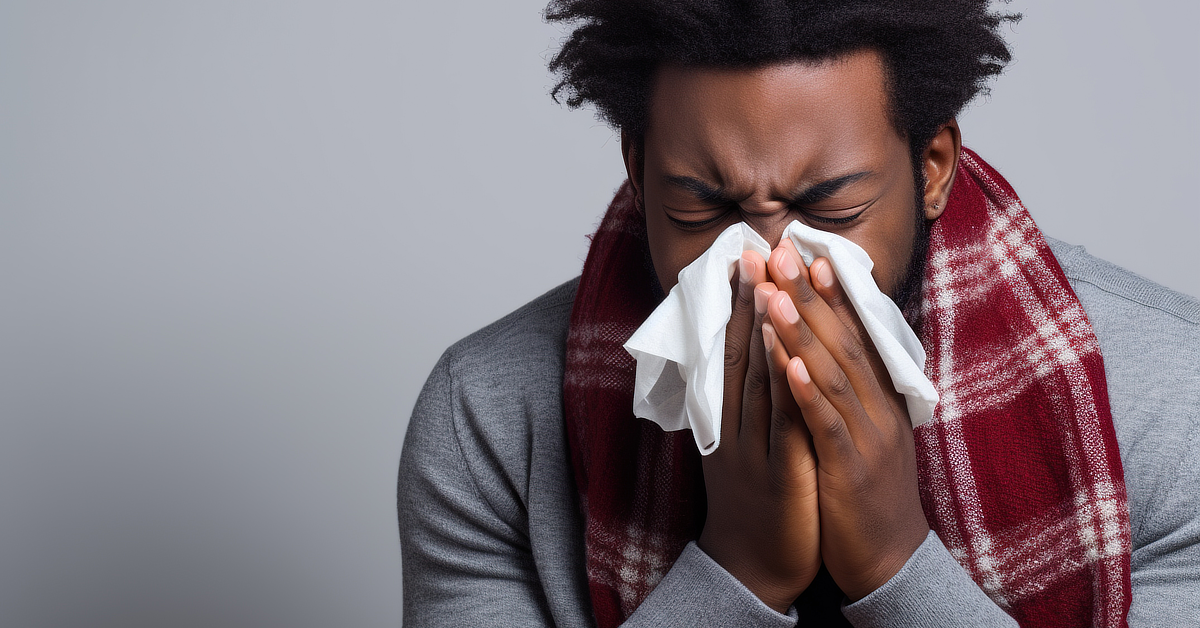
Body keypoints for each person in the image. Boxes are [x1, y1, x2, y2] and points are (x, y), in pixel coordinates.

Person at [398, 1, 1200, 626]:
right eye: (703, 210)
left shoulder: (1169, 398)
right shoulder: (490, 419)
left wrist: (895, 561)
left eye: (830, 207)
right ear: (640, 177)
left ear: (931, 168)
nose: (769, 267)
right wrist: (739, 569)